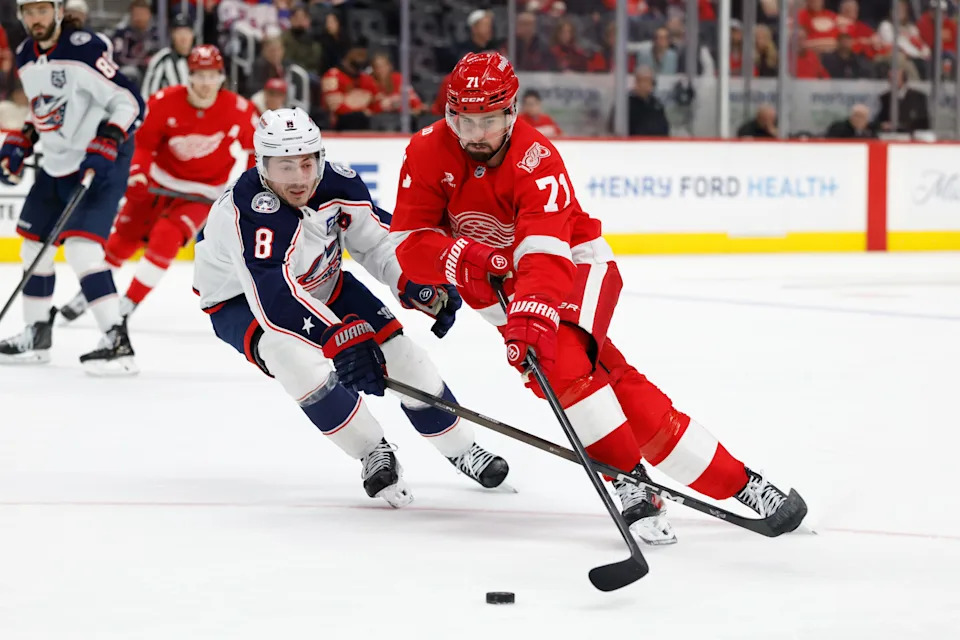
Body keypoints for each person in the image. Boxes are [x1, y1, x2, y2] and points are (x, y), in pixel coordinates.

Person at [383, 52, 808, 545]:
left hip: (573, 267)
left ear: (512, 112)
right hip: (496, 287)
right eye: (465, 120)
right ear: (451, 114)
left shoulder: (536, 157)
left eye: (490, 119)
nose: (476, 133)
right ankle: (743, 483)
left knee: (557, 359)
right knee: (612, 385)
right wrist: (473, 260)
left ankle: (631, 483)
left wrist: (527, 310)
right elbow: (408, 246)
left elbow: (544, 250)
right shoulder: (427, 150)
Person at [192, 107, 510, 506]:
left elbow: (377, 242)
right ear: (261, 164)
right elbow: (273, 296)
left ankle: (462, 448)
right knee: (292, 360)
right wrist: (337, 338)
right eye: (284, 167)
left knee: (404, 358)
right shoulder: (246, 211)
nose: (299, 179)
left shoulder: (339, 182)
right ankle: (371, 450)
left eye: (306, 164)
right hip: (242, 302)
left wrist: (414, 282)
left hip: (323, 280)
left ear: (320, 158)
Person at [60, 45, 258, 324]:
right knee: (122, 241)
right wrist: (138, 173)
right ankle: (87, 295)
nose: (206, 83)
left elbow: (256, 149)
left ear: (222, 77)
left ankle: (128, 304)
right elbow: (143, 144)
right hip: (156, 185)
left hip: (200, 194)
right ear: (189, 76)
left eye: (212, 76)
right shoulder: (164, 101)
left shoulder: (238, 109)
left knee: (166, 237)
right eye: (199, 76)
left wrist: (249, 186)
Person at [0, 0, 145, 374]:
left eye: (42, 10)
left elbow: (129, 100)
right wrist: (25, 137)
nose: (36, 18)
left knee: (82, 250)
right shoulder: (24, 56)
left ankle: (117, 342)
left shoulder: (83, 48)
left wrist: (110, 137)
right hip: (56, 163)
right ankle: (36, 335)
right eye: (28, 11)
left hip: (100, 161)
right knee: (33, 249)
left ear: (59, 11)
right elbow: (45, 105)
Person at [140, 13, 194, 99]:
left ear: (192, 34)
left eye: (186, 32)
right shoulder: (161, 59)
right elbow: (148, 95)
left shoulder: (198, 60)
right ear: (172, 35)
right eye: (179, 32)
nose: (183, 37)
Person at [873, 68, 931, 134]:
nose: (891, 81)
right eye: (889, 78)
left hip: (911, 135)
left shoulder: (918, 96)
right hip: (889, 135)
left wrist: (901, 126)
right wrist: (882, 125)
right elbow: (879, 119)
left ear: (903, 79)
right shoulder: (884, 97)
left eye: (894, 78)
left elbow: (923, 122)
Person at [626, 66, 669, 137]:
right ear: (636, 82)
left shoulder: (656, 104)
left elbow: (664, 129)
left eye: (650, 81)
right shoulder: (626, 104)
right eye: (644, 80)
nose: (647, 84)